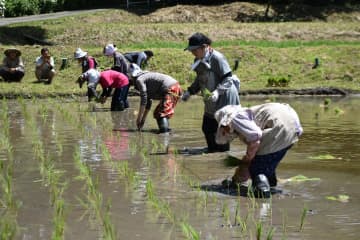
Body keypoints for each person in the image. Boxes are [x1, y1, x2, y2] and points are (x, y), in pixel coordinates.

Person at [214, 103, 303, 198]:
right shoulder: (249, 114)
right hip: (293, 130)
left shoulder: (235, 118)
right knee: (267, 163)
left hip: (279, 129)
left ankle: (262, 195)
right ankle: (271, 185)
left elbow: (255, 136)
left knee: (256, 168)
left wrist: (248, 159)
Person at [182, 32, 240, 153]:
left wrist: (218, 92)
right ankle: (213, 151)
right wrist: (190, 91)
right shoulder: (197, 60)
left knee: (222, 129)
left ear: (204, 47)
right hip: (210, 97)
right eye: (191, 50)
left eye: (194, 50)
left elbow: (228, 78)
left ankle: (222, 154)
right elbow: (200, 78)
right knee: (207, 127)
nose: (192, 53)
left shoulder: (217, 58)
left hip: (225, 97)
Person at [128, 63, 182, 133]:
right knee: (157, 113)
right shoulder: (144, 78)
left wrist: (138, 118)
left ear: (131, 76)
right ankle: (166, 130)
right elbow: (148, 101)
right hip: (174, 87)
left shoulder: (139, 80)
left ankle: (164, 134)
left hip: (170, 88)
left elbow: (144, 99)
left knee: (162, 112)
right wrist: (143, 119)